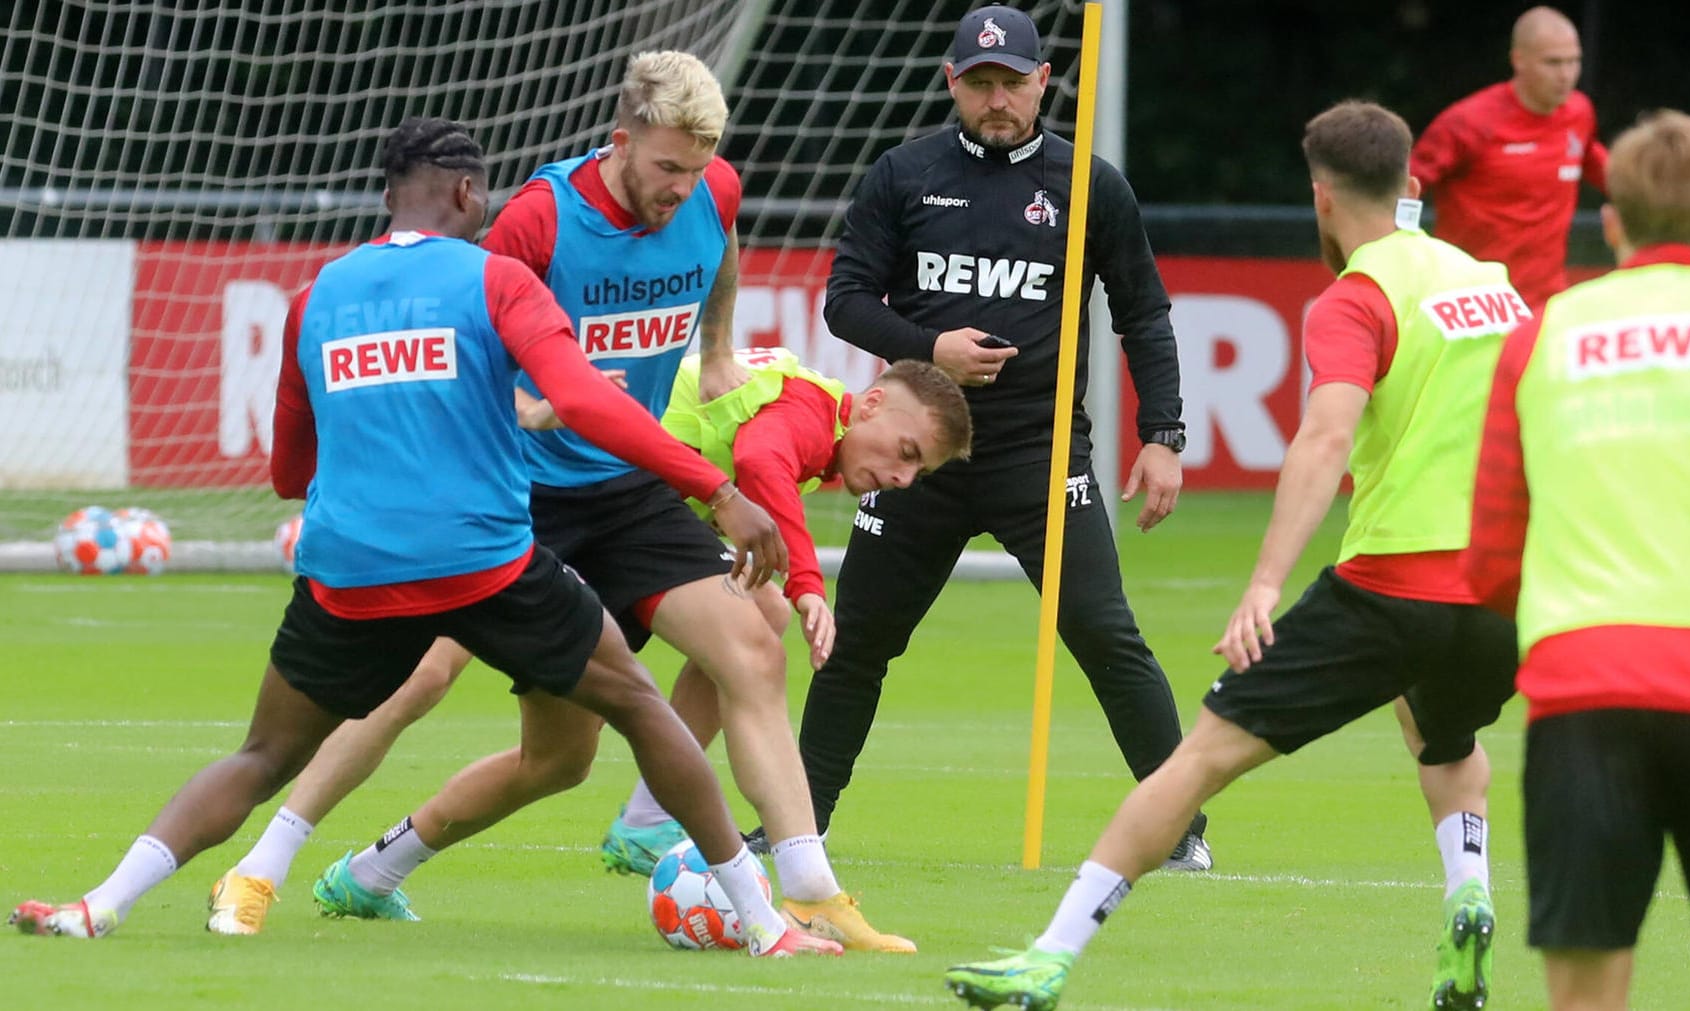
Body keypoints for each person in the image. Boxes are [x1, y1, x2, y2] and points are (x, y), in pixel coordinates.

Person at [8, 116, 838, 957]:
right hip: (484, 564)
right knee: (637, 704)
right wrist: (718, 489)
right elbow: (585, 402)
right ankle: (769, 925)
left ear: (386, 197)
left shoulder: (313, 297)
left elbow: (289, 474)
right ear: (470, 194)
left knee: (261, 755)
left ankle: (99, 903)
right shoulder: (496, 281)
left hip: (346, 573)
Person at [200, 52, 913, 953]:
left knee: (743, 646)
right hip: (516, 490)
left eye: (696, 170)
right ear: (619, 142)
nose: (681, 189)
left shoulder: (711, 191)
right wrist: (521, 401)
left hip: (625, 491)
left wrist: (722, 343)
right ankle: (261, 863)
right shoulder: (540, 217)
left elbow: (720, 239)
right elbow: (447, 318)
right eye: (664, 169)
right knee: (445, 691)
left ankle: (808, 888)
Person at [944, 99, 1528, 1010]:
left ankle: (1048, 957)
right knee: (1442, 731)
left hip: (1390, 583)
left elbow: (1324, 439)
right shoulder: (1491, 283)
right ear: (1412, 184)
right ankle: (1469, 895)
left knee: (1195, 762)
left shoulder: (1357, 297)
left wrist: (1263, 584)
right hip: (1497, 595)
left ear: (1320, 195)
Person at [764, 1, 1212, 873]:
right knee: (854, 646)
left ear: (1043, 82)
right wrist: (926, 347)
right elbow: (845, 299)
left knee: (1104, 633)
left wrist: (1162, 433)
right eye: (979, 84)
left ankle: (1177, 830)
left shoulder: (1089, 184)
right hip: (913, 464)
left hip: (1038, 461)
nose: (996, 99)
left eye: (1012, 83)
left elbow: (1143, 314)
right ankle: (798, 830)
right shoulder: (904, 173)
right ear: (952, 83)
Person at [1466, 110, 1690, 1011]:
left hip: (1585, 692)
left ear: (1609, 223)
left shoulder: (1540, 337)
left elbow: (1491, 556)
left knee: (1584, 994)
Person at [517, 345, 974, 673]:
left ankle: (654, 805)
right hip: (562, 481)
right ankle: (655, 805)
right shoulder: (811, 413)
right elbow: (759, 460)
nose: (904, 479)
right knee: (455, 652)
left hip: (609, 501)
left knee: (565, 749)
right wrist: (807, 583)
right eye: (908, 452)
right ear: (872, 404)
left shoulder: (821, 431)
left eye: (921, 472)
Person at [1411, 5, 1608, 311]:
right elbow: (1399, 190)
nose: (1566, 75)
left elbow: (1609, 174)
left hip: (1546, 303)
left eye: (1574, 61)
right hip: (1470, 306)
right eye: (1553, 63)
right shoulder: (1467, 123)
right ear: (1519, 60)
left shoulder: (1579, 113)